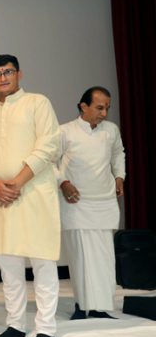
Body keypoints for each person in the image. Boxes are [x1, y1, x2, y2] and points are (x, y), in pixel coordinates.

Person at [0, 54, 61, 337]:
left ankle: (46, 328)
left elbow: (49, 145)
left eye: (8, 71)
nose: (2, 77)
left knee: (42, 262)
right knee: (8, 264)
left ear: (19, 74)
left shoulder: (38, 103)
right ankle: (15, 324)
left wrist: (17, 181)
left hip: (34, 192)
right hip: (0, 197)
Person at [57, 86, 126, 320]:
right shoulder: (65, 131)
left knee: (104, 256)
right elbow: (51, 162)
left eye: (107, 107)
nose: (104, 113)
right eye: (99, 107)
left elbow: (118, 154)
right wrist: (63, 182)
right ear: (83, 106)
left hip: (104, 200)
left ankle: (100, 306)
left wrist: (119, 176)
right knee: (80, 256)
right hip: (76, 202)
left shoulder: (111, 130)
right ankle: (82, 305)